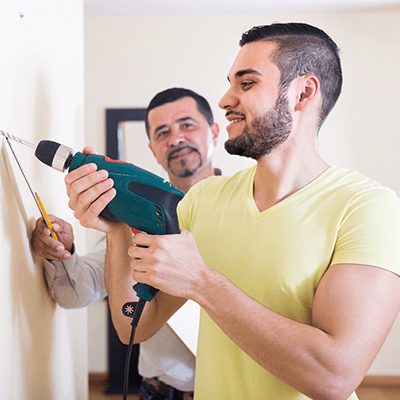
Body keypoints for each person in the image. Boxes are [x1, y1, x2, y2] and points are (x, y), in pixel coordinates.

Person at [63, 23, 400, 400]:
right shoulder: (204, 200)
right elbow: (134, 328)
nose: (224, 99)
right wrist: (116, 230)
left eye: (247, 83)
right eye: (229, 83)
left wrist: (202, 284)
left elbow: (333, 377)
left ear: (303, 93)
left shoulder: (369, 208)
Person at [31, 88, 221, 400]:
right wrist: (62, 250)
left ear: (213, 132)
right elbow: (76, 291)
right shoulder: (137, 218)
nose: (175, 139)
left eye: (187, 125)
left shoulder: (245, 211)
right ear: (153, 149)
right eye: (162, 132)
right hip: (158, 393)